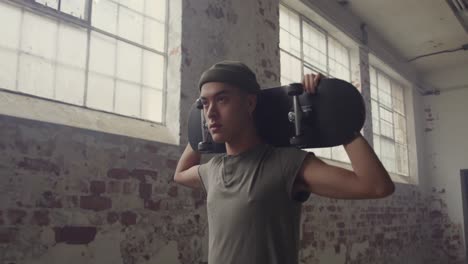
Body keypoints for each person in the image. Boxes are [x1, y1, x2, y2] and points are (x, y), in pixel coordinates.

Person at [173, 61, 394, 264]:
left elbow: (376, 186)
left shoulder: (285, 164)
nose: (211, 113)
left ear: (250, 103)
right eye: (205, 103)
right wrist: (198, 130)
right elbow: (180, 174)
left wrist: (331, 110)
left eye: (222, 99)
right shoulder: (213, 170)